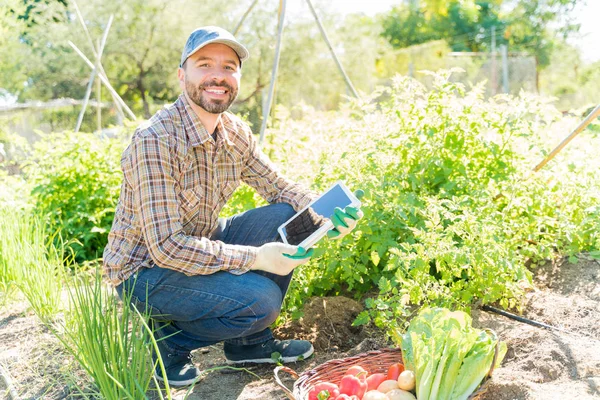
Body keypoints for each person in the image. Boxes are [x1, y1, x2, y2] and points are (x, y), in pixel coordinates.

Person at [103, 26, 363, 387]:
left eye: (229, 67)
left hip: (200, 242)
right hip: (144, 271)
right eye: (205, 64)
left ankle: (248, 342)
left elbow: (280, 187)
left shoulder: (234, 133)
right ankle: (168, 343)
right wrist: (257, 259)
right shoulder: (155, 141)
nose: (218, 76)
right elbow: (166, 247)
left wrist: (324, 215)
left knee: (287, 216)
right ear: (182, 75)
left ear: (238, 78)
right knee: (261, 302)